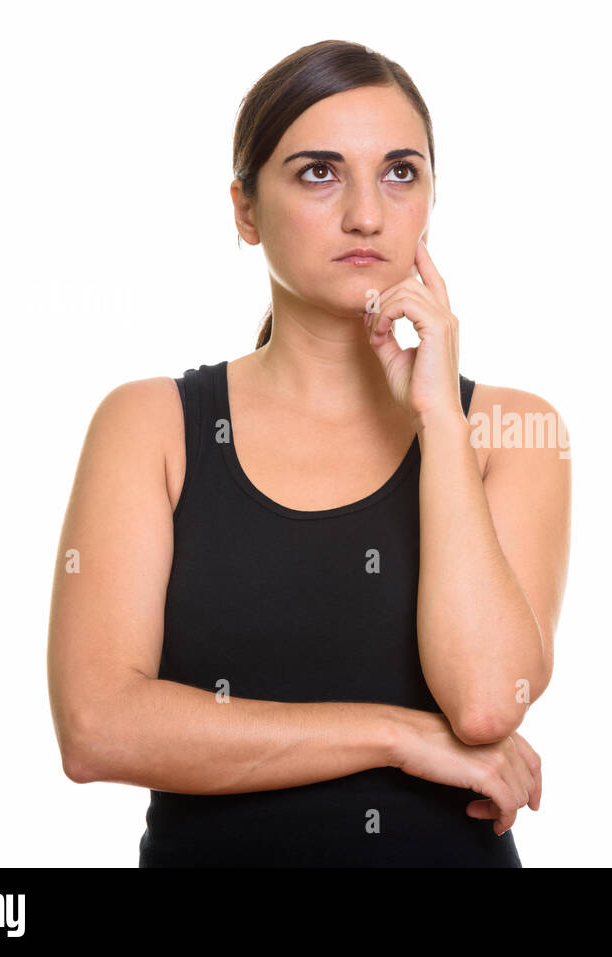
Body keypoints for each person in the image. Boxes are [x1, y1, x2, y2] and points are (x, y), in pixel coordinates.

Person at [46, 40, 571, 866]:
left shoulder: (511, 429)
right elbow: (96, 727)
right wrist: (395, 735)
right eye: (319, 172)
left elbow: (480, 706)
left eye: (400, 172)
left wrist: (437, 415)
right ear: (245, 211)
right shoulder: (151, 424)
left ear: (431, 199)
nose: (367, 213)